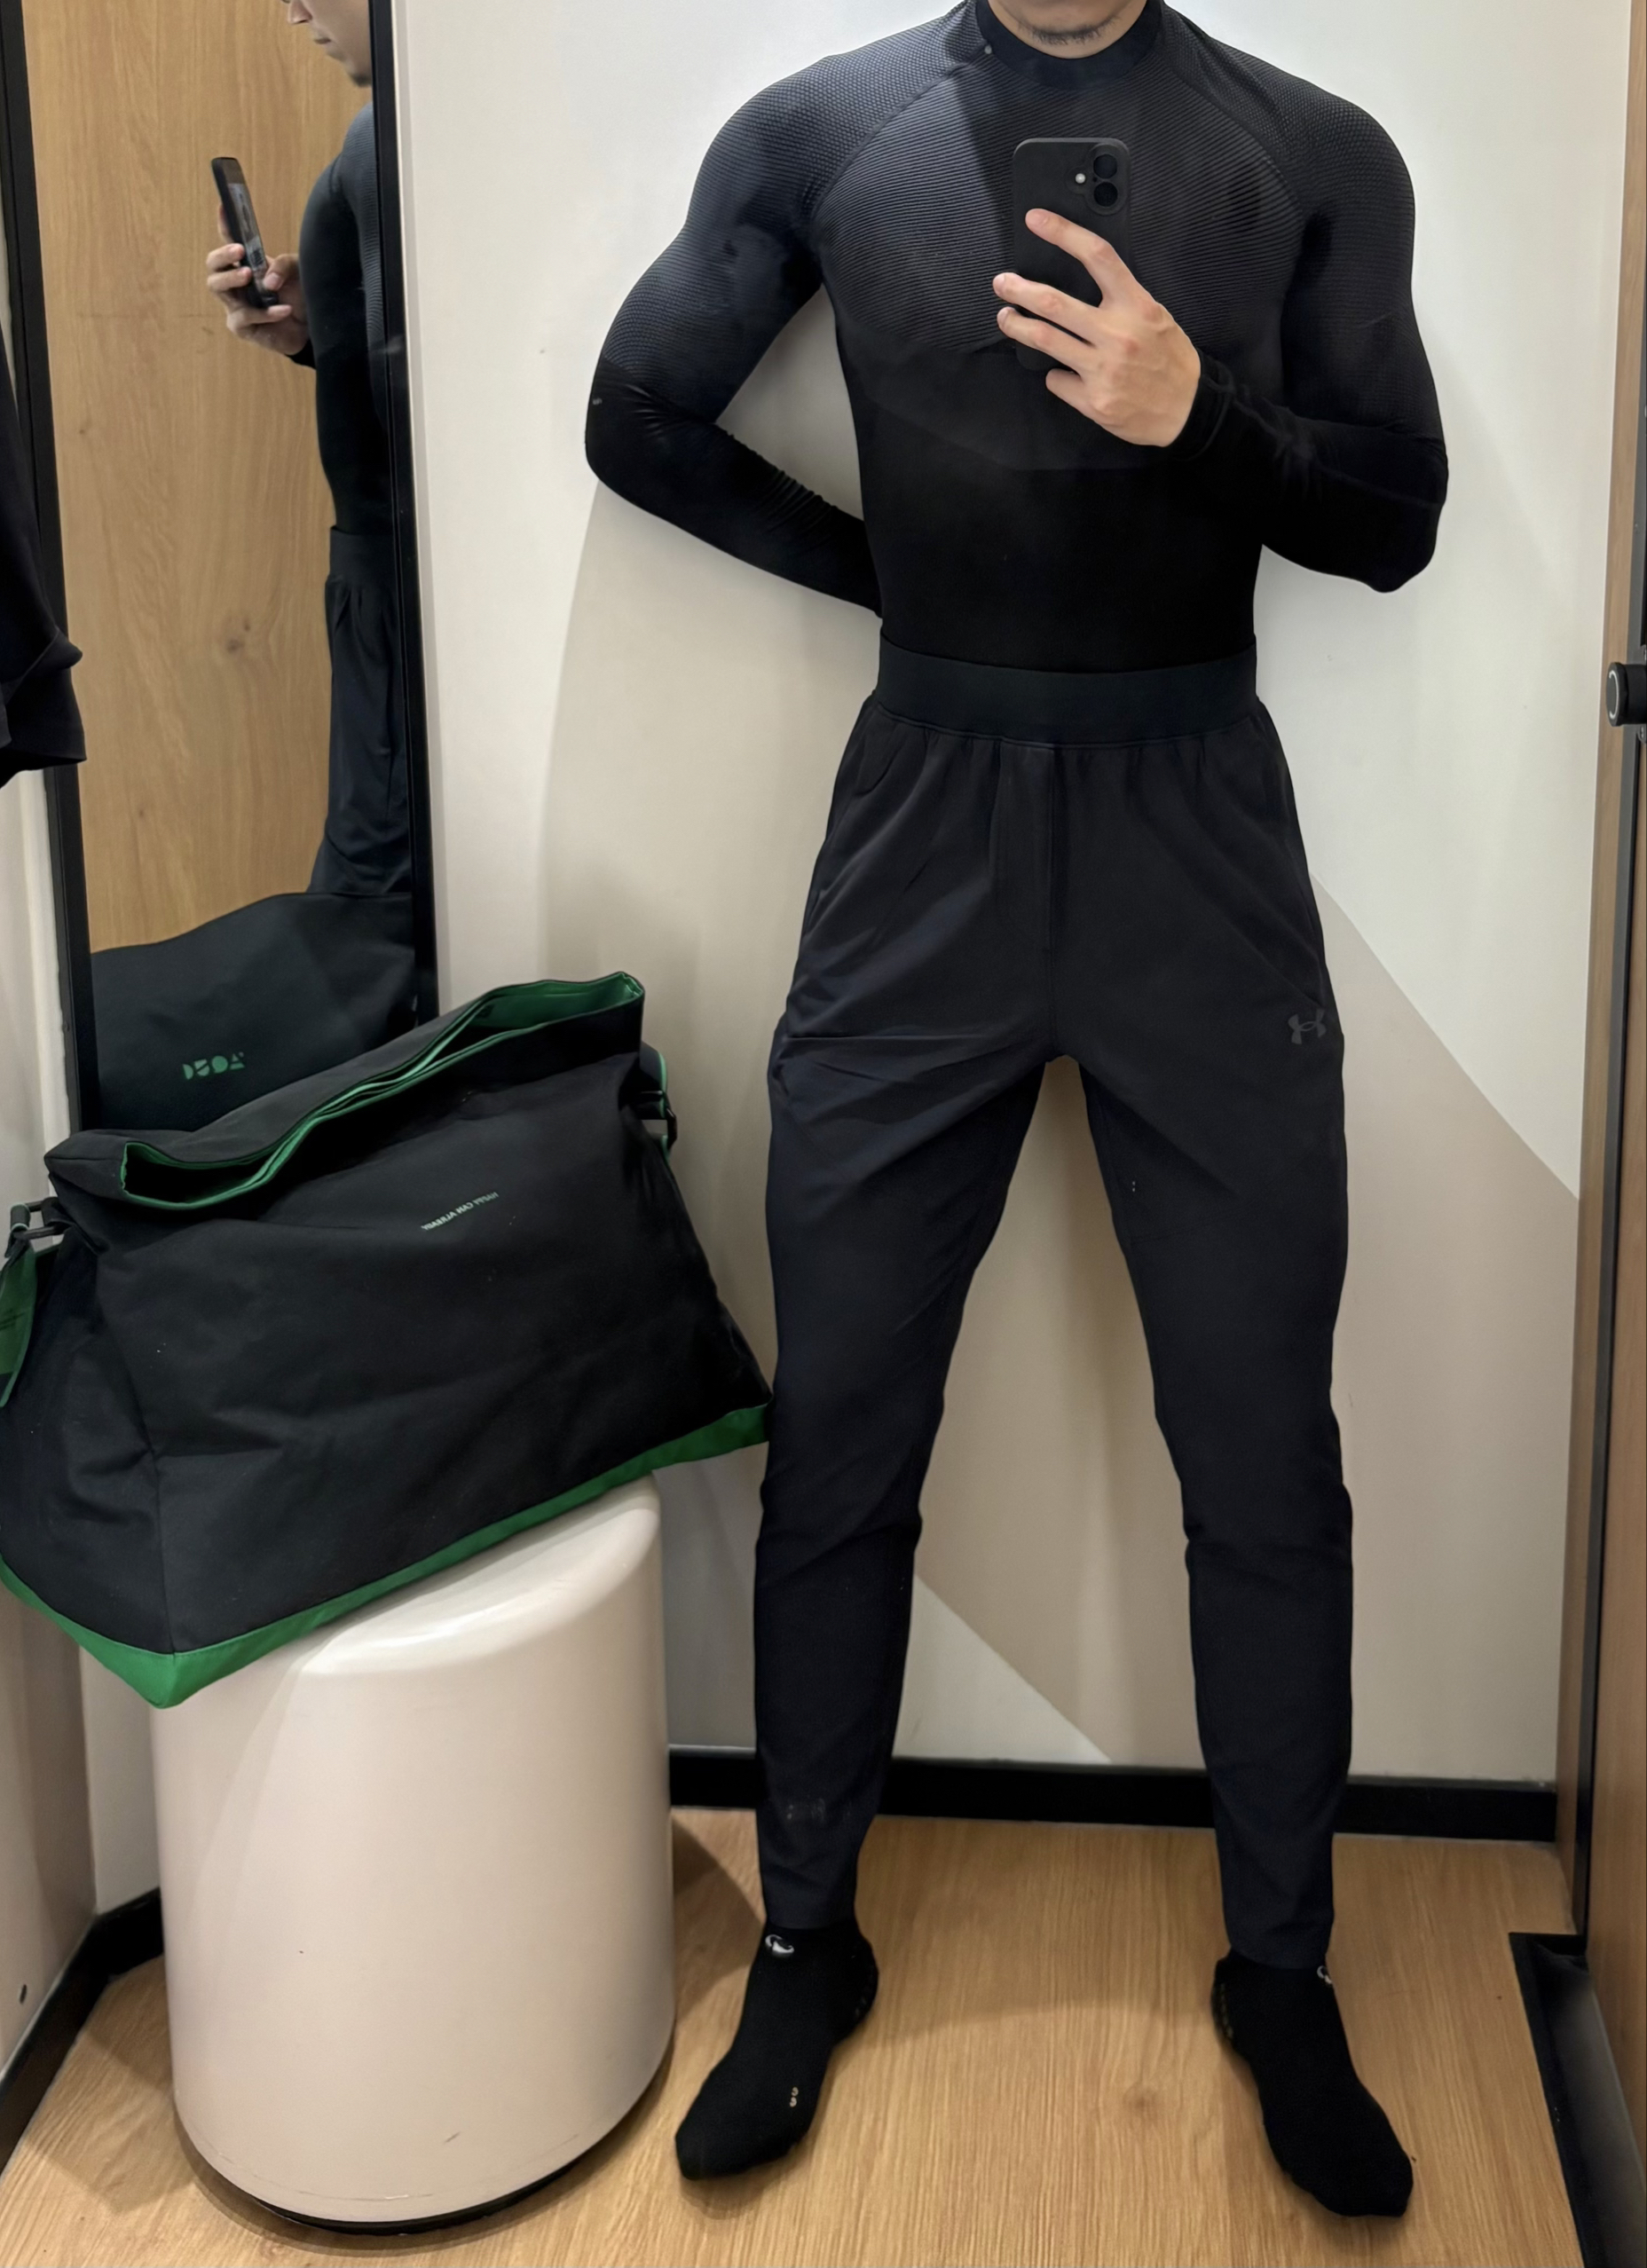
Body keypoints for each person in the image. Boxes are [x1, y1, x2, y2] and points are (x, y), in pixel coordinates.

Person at [587, 0, 1447, 2218]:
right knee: (844, 1430)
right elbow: (636, 416)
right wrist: (890, 574)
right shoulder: (822, 130)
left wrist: (1198, 420)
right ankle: (807, 1940)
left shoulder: (1308, 147)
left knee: (1261, 1452)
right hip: (924, 833)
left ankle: (1279, 1971)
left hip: (1195, 831)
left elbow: (1397, 520)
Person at [205, 0, 409, 898]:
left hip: (399, 587)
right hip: (397, 577)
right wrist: (312, 338)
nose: (294, 13)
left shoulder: (387, 138)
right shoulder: (399, 134)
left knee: (376, 896)